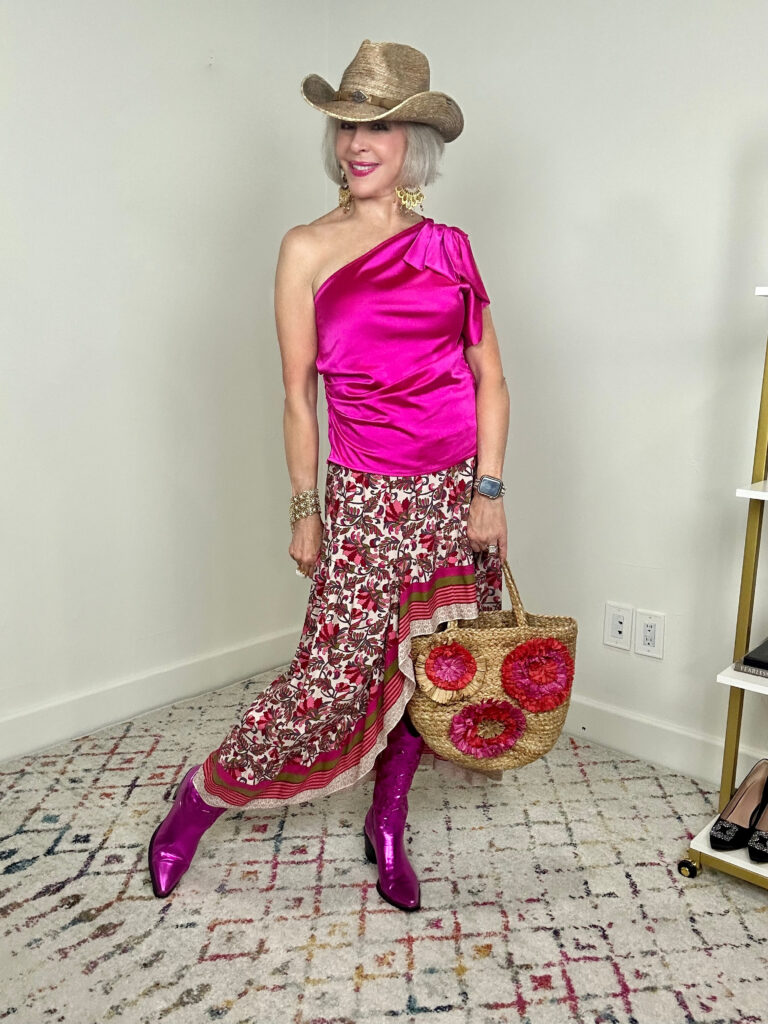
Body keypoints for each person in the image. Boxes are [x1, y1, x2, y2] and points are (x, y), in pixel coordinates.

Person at [148, 39, 510, 912]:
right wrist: (308, 511)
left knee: (438, 668)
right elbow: (298, 397)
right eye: (348, 124)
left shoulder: (450, 247)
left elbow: (490, 378)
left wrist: (489, 491)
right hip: (366, 492)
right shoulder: (305, 248)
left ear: (412, 143)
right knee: (331, 675)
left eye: (379, 126)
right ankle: (200, 799)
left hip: (455, 490)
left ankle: (389, 819)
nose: (359, 141)